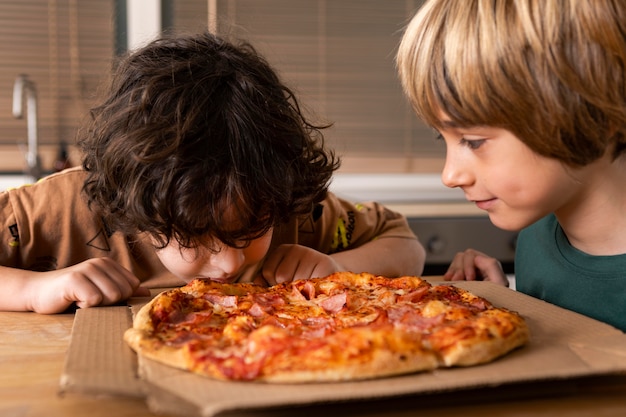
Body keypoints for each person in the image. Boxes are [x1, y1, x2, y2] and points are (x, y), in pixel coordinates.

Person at [0, 31, 425, 314]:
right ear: (141, 204)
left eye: (252, 229)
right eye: (199, 235)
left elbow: (406, 246)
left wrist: (333, 265)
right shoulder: (61, 209)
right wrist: (34, 290)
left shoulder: (282, 202)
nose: (230, 263)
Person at [396, 0, 626, 331]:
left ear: (597, 114)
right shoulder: (533, 240)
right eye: (441, 138)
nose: (450, 176)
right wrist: (505, 304)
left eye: (474, 141)